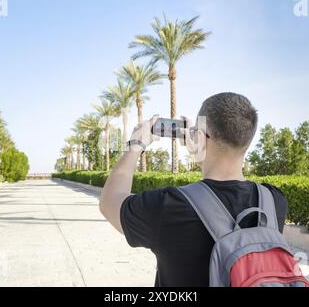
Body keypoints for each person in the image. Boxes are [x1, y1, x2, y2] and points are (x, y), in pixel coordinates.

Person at [99, 92, 288, 287]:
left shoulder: (171, 206)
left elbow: (109, 201)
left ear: (199, 136)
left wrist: (136, 145)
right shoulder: (274, 201)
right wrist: (202, 149)